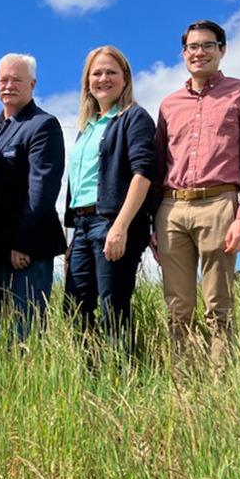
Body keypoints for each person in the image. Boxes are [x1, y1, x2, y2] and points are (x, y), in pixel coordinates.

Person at [153, 20, 240, 366]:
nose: (198, 53)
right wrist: (150, 223)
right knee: (177, 306)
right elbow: (157, 166)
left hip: (219, 203)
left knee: (219, 304)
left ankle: (220, 388)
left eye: (207, 46)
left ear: (222, 50)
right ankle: (182, 386)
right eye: (191, 47)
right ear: (184, 53)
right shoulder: (169, 104)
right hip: (171, 208)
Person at [63, 45, 156, 346]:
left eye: (111, 72)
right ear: (87, 81)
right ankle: (89, 383)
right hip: (83, 225)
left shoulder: (133, 118)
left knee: (112, 309)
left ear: (125, 78)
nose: (103, 79)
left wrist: (121, 226)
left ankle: (120, 381)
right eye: (97, 73)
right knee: (75, 308)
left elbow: (143, 174)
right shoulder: (86, 128)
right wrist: (74, 233)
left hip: (112, 223)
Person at [0, 53, 66, 340]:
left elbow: (42, 190)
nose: (9, 85)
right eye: (3, 79)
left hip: (27, 249)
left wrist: (23, 243)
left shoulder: (43, 125)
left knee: (22, 330)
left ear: (32, 83)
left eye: (17, 79)